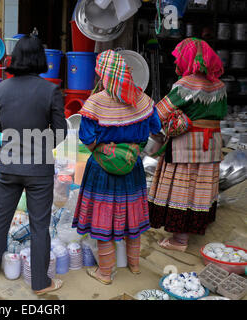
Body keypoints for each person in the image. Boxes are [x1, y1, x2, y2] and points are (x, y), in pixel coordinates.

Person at [0, 34, 67, 295]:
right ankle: (41, 283)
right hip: (38, 168)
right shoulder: (50, 90)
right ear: (40, 59)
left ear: (15, 58)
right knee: (39, 226)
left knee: (1, 217)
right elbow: (61, 132)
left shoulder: (0, 88)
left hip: (9, 165)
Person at [72, 50, 161, 285]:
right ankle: (134, 266)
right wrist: (131, 148)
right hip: (133, 166)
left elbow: (86, 137)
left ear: (103, 74)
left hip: (102, 169)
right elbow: (155, 126)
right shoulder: (142, 99)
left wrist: (106, 150)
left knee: (103, 220)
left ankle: (105, 272)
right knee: (132, 216)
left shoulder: (96, 101)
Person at [148, 38, 227, 252]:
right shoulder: (220, 86)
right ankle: (192, 231)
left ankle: (179, 240)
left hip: (187, 145)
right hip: (211, 145)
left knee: (181, 191)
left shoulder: (186, 84)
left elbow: (159, 113)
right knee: (199, 190)